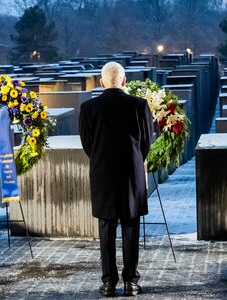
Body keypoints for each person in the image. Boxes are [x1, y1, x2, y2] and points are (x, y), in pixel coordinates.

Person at [79, 62, 154, 297]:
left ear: (102, 83)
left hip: (103, 174)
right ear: (124, 81)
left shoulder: (89, 108)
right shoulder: (139, 105)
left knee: (106, 228)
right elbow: (146, 144)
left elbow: (87, 144)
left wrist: (101, 159)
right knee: (131, 227)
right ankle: (131, 281)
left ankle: (108, 282)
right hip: (131, 173)